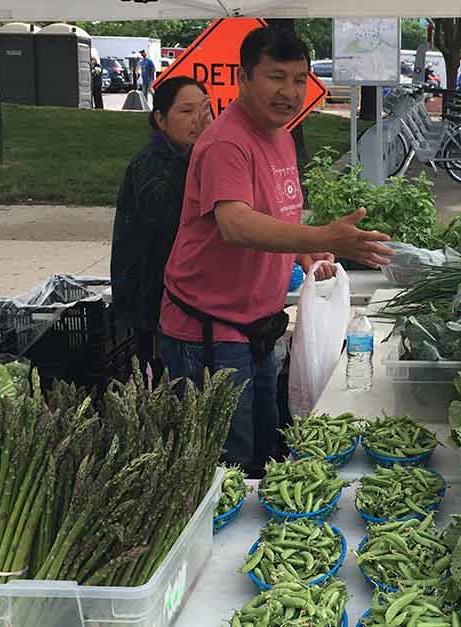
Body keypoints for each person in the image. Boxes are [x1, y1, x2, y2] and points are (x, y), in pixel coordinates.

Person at [158, 26, 394, 477]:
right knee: (226, 469)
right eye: (276, 77)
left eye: (299, 78)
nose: (289, 91)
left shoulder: (281, 136)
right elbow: (236, 224)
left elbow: (276, 216)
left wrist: (302, 252)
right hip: (209, 335)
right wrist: (322, 236)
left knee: (267, 455)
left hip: (257, 329)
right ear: (244, 80)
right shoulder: (227, 142)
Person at [112, 77, 213, 374]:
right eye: (185, 111)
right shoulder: (154, 165)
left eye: (203, 111)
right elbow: (172, 222)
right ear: (160, 118)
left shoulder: (191, 157)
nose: (197, 121)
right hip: (152, 306)